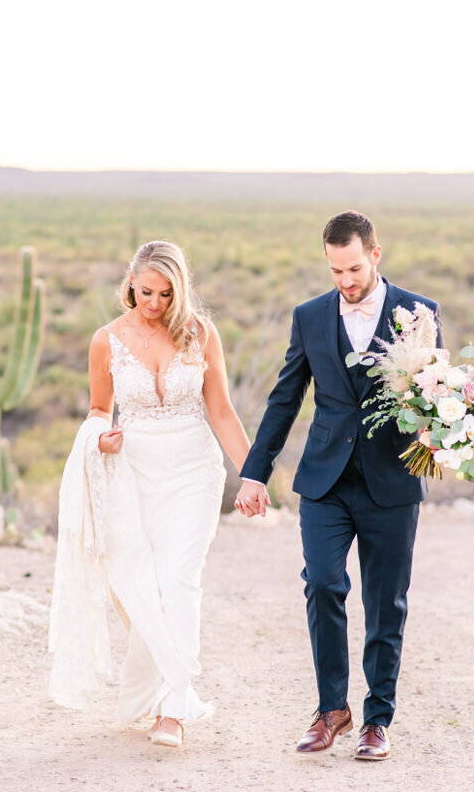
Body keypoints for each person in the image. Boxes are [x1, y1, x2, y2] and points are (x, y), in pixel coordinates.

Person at [235, 211, 442, 761]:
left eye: (353, 268)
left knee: (385, 602)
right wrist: (255, 471)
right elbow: (285, 398)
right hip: (324, 480)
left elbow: (435, 392)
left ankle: (377, 719)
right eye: (334, 271)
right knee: (323, 584)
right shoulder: (309, 317)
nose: (345, 281)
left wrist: (447, 431)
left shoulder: (418, 313)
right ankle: (332, 711)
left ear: (375, 254)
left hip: (391, 481)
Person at [48, 240, 252, 748]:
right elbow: (100, 408)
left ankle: (174, 708)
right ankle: (160, 689)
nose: (155, 304)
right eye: (145, 292)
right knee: (145, 584)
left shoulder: (201, 335)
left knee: (179, 578)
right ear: (130, 286)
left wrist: (253, 474)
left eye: (165, 293)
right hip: (134, 473)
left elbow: (221, 411)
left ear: (180, 290)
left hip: (193, 472)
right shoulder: (106, 341)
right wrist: (101, 436)